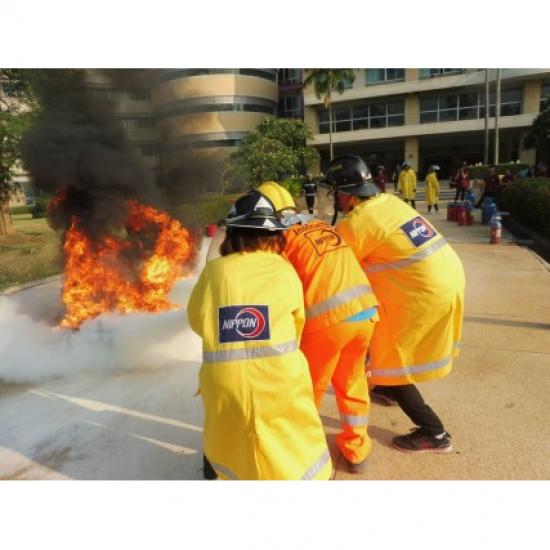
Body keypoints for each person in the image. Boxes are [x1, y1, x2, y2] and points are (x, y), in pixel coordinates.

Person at [187, 191, 332, 480]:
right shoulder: (285, 269)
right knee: (292, 442)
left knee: (232, 442)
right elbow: (297, 325)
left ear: (233, 234)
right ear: (273, 236)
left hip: (226, 383)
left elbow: (197, 321)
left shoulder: (215, 273)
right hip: (282, 379)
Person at [325, 155, 465, 454]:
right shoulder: (389, 203)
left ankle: (434, 432)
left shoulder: (358, 222)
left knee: (394, 358)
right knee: (380, 344)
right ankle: (385, 387)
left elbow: (329, 264)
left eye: (335, 192)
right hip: (446, 279)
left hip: (423, 294)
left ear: (345, 193)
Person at [257, 181, 379, 473]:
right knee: (352, 383)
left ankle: (301, 453)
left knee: (307, 390)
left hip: (330, 322)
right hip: (365, 313)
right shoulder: (320, 226)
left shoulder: (280, 238)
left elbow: (276, 286)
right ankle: (356, 449)